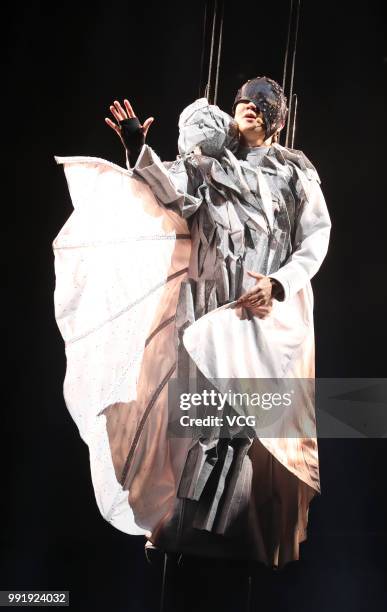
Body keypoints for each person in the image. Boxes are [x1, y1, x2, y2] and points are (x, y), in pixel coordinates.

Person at [53, 77, 331, 570]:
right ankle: (183, 522)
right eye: (242, 101)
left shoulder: (294, 172)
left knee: (245, 428)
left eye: (260, 103)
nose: (248, 108)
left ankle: (228, 530)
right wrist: (139, 147)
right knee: (202, 419)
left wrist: (281, 284)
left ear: (276, 118)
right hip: (208, 304)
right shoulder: (207, 167)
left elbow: (315, 237)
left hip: (261, 313)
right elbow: (166, 191)